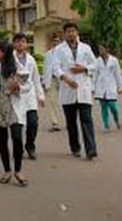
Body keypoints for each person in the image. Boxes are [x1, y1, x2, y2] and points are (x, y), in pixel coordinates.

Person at [53, 22, 98, 160]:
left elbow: (95, 64)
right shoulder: (59, 49)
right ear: (64, 34)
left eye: (73, 31)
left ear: (77, 32)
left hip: (83, 88)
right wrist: (66, 79)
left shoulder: (86, 48)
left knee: (87, 120)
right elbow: (56, 68)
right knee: (71, 122)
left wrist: (84, 69)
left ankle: (91, 149)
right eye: (68, 31)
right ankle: (75, 147)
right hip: (68, 89)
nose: (71, 33)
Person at [0, 41, 31, 187]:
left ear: (5, 52)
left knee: (17, 139)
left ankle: (18, 170)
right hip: (0, 108)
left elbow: (28, 86)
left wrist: (18, 87)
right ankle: (7, 170)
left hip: (14, 107)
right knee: (2, 141)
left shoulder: (16, 67)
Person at [13, 33, 44, 160]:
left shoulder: (31, 60)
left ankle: (30, 146)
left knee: (33, 123)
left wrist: (40, 95)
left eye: (23, 41)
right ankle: (18, 149)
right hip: (16, 95)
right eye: (18, 41)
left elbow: (36, 78)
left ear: (26, 44)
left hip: (29, 95)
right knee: (17, 127)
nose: (21, 43)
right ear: (14, 44)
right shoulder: (10, 58)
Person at [94, 44, 122, 132]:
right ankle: (106, 125)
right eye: (99, 49)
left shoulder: (114, 60)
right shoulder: (97, 61)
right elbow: (95, 74)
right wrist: (93, 86)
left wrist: (120, 86)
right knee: (103, 107)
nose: (100, 51)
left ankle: (117, 121)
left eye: (102, 49)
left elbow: (117, 74)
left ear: (107, 49)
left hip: (111, 86)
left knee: (112, 106)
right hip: (101, 86)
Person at [41, 34, 63, 132]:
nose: (55, 43)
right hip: (51, 79)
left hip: (62, 79)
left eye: (57, 41)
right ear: (51, 42)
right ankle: (55, 123)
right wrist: (44, 82)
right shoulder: (47, 54)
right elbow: (45, 69)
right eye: (54, 41)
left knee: (64, 101)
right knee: (52, 101)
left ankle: (67, 120)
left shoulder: (64, 53)